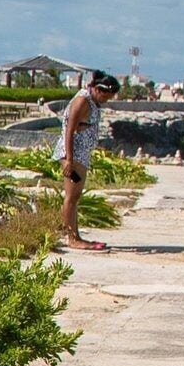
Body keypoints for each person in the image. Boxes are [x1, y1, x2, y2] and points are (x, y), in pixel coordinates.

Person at [56, 71, 111, 252]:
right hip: (73, 155)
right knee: (71, 196)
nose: (106, 100)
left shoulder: (91, 101)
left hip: (81, 155)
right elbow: (69, 130)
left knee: (76, 196)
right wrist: (69, 160)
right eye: (105, 96)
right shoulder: (82, 101)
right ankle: (72, 238)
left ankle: (75, 235)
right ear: (97, 89)